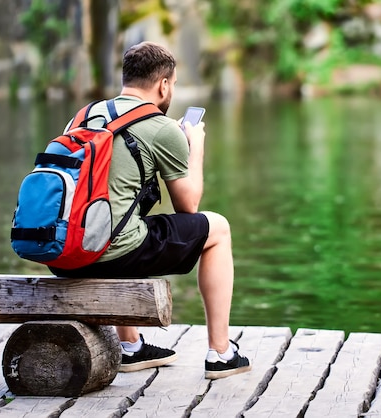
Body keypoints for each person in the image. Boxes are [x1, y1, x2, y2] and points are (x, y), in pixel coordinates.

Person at [49, 41, 251, 380]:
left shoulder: (83, 116)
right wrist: (195, 148)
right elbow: (188, 206)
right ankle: (221, 352)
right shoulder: (161, 127)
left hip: (62, 252)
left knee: (126, 219)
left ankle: (131, 347)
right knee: (217, 229)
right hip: (108, 252)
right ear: (164, 84)